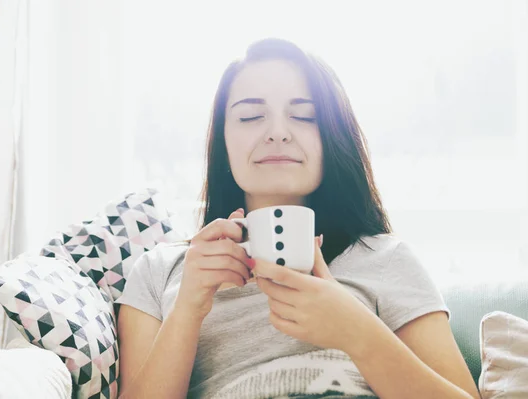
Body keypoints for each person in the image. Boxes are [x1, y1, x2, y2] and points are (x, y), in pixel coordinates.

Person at [116, 38, 481, 399]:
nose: (277, 132)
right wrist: (187, 309)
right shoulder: (159, 271)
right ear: (223, 144)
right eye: (250, 116)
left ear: (333, 139)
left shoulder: (385, 259)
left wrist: (358, 332)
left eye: (305, 116)